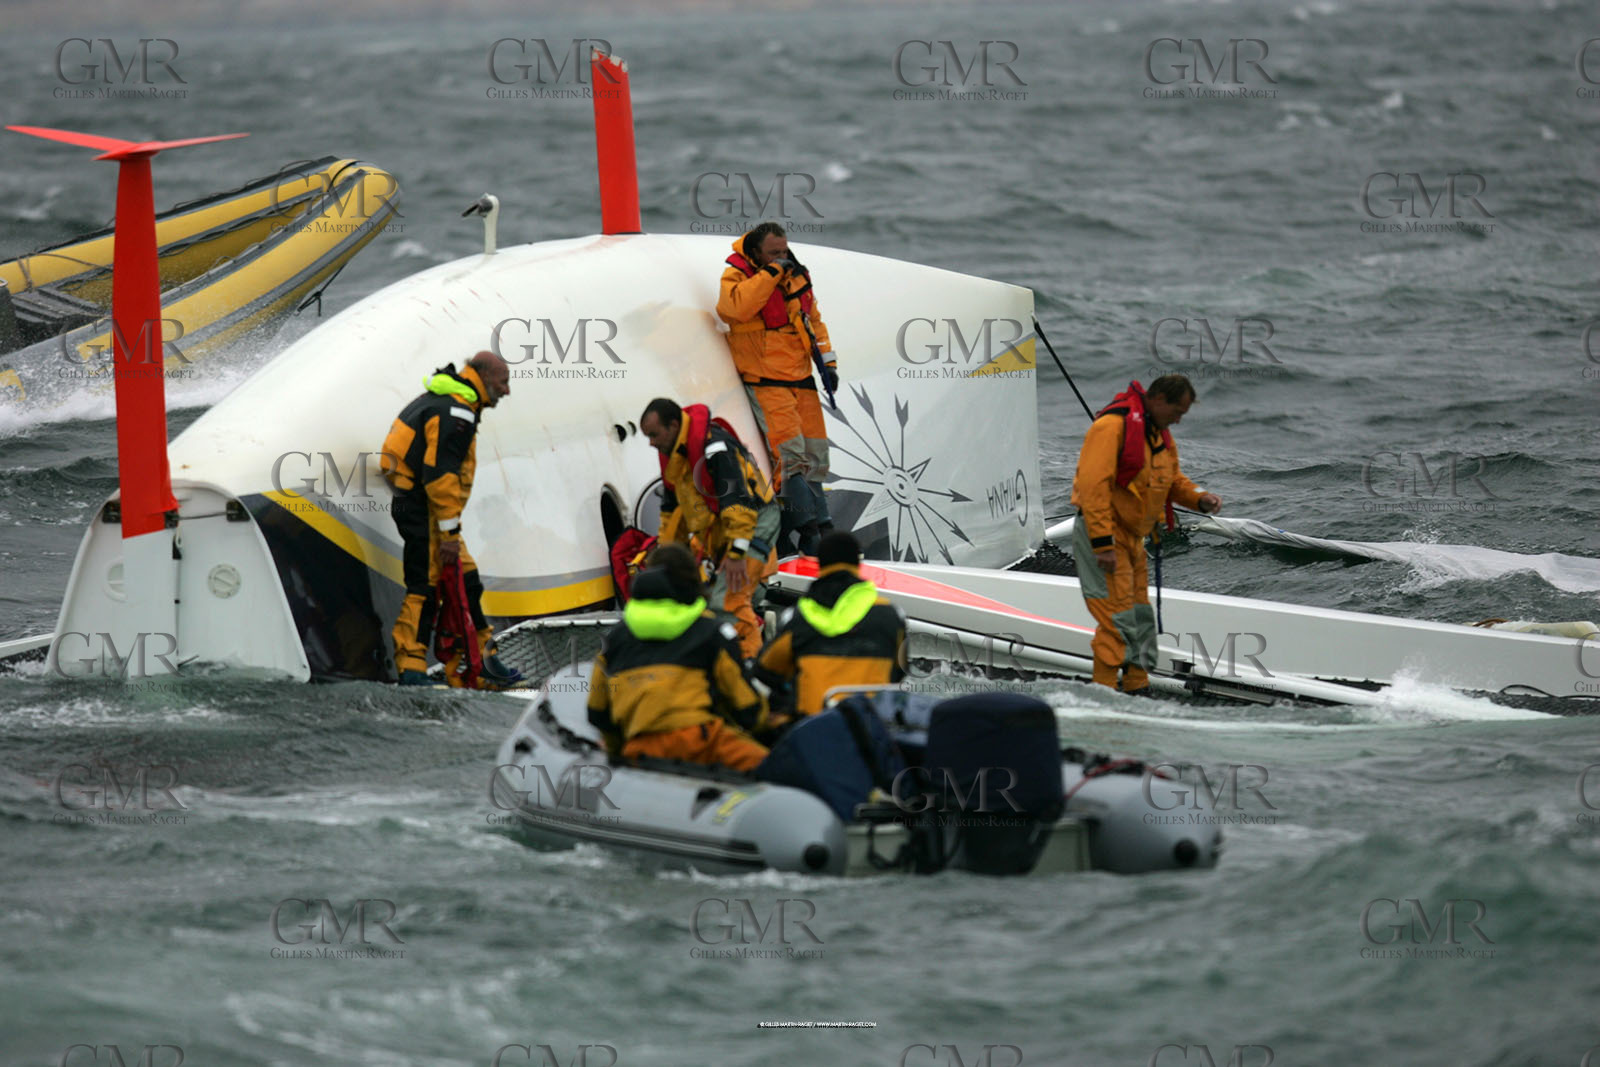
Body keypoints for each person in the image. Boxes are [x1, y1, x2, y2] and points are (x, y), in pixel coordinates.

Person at [1070, 374, 1221, 694]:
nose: (1178, 421)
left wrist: (1199, 497)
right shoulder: (1110, 428)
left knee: (1139, 617)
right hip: (1105, 537)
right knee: (1116, 621)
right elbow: (1092, 488)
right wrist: (1102, 544)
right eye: (1177, 412)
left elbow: (1173, 479)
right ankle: (1103, 695)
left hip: (1134, 539)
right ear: (1158, 400)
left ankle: (1137, 689)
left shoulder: (1158, 434)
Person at [380, 350, 521, 688]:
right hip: (423, 508)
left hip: (428, 509)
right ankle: (411, 666)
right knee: (426, 585)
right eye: (503, 382)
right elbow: (440, 478)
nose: (507, 390)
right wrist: (448, 536)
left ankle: (482, 663)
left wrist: (449, 532)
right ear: (484, 378)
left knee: (467, 582)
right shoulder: (456, 412)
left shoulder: (447, 402)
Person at [586, 550, 770, 773]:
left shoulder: (613, 640)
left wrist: (617, 752)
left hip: (639, 750)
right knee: (779, 770)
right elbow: (746, 704)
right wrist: (766, 723)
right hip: (700, 741)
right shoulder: (710, 630)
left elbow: (597, 711)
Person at [716, 222, 837, 555]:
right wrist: (771, 272)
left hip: (803, 378)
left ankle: (823, 524)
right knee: (791, 456)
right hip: (767, 380)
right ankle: (806, 530)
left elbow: (814, 320)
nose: (783, 258)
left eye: (784, 251)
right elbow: (734, 309)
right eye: (774, 253)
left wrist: (829, 364)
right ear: (755, 253)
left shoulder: (797, 276)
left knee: (816, 453)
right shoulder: (736, 277)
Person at [640, 397, 781, 659]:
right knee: (723, 599)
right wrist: (663, 564)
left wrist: (738, 552)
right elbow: (672, 516)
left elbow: (737, 501)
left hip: (754, 521)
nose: (651, 443)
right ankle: (760, 639)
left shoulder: (716, 448)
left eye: (654, 435)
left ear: (673, 426)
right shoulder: (675, 460)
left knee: (728, 602)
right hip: (724, 533)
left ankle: (749, 671)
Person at [756, 531, 906, 716]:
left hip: (814, 731)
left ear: (820, 564)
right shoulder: (890, 615)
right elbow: (899, 672)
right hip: (872, 730)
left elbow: (767, 671)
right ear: (858, 562)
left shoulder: (798, 618)